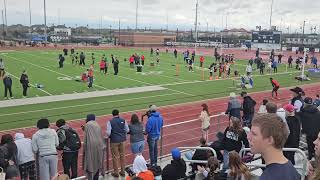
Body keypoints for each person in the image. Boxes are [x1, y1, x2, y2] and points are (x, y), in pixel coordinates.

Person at [248, 114, 300, 180]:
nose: (248, 137)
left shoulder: (269, 177)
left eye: (254, 134)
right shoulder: (290, 168)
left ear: (270, 140)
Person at [106, 109, 129, 177]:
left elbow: (108, 132)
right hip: (122, 140)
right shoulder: (123, 120)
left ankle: (116, 172)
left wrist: (110, 135)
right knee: (122, 156)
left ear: (112, 115)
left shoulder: (110, 122)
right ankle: (122, 171)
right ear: (118, 114)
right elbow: (127, 130)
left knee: (115, 157)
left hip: (114, 141)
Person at [83, 114, 105, 180]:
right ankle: (96, 177)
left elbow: (87, 135)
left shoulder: (87, 124)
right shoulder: (97, 124)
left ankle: (91, 178)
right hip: (100, 145)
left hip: (91, 146)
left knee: (90, 163)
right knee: (98, 161)